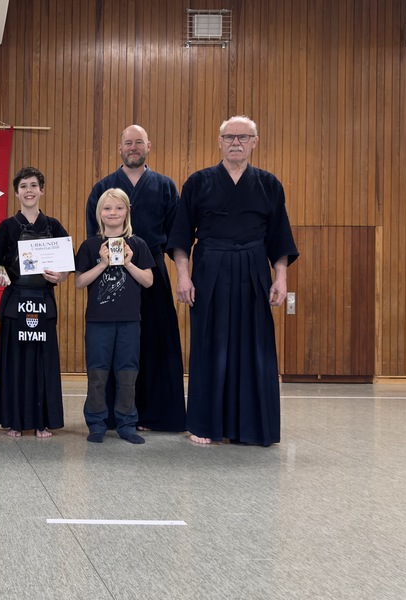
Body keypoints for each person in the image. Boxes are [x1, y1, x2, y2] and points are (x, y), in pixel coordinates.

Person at [168, 116, 298, 446]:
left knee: (255, 347)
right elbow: (180, 236)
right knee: (209, 345)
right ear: (219, 142)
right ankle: (205, 424)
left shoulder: (269, 184)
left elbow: (280, 239)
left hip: (253, 269)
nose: (236, 142)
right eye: (229, 137)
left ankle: (251, 428)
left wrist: (281, 279)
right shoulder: (197, 183)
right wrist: (183, 276)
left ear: (255, 141)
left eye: (243, 137)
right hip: (210, 269)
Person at [85, 124, 186, 432]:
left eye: (138, 142)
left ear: (148, 146)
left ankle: (155, 414)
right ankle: (111, 415)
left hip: (150, 266)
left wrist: (184, 275)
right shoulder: (103, 187)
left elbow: (176, 235)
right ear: (120, 148)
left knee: (155, 340)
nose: (133, 147)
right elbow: (93, 235)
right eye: (128, 143)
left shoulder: (165, 185)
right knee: (113, 344)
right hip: (110, 270)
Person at [0, 167, 69, 438]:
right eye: (23, 186)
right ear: (16, 193)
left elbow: (66, 265)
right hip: (16, 301)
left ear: (41, 190)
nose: (29, 190)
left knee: (42, 363)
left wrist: (60, 276)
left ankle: (41, 421)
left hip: (43, 301)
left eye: (34, 185)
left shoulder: (53, 226)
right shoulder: (7, 227)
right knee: (16, 362)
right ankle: (15, 420)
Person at [75, 188, 155, 444]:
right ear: (100, 212)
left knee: (127, 375)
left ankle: (126, 423)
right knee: (97, 376)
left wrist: (128, 263)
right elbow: (79, 282)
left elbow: (149, 281)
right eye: (107, 208)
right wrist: (102, 263)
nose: (113, 213)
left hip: (129, 322)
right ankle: (96, 423)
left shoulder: (137, 244)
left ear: (127, 212)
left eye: (119, 208)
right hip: (98, 322)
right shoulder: (90, 245)